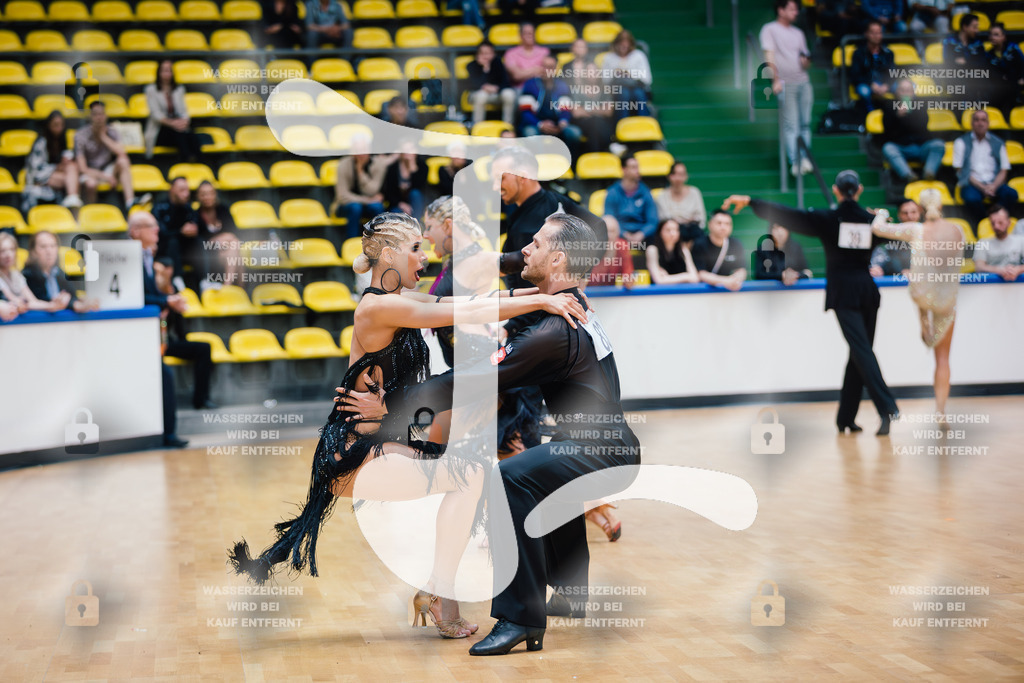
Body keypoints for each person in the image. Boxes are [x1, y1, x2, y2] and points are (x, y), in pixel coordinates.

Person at [228, 212, 588, 641]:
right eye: (416, 248)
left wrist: (545, 293)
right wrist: (543, 302)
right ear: (387, 255)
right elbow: (468, 309)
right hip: (353, 454)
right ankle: (439, 593)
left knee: (474, 474)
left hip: (378, 443)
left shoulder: (400, 299)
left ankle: (438, 593)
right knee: (472, 476)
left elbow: (465, 303)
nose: (426, 257)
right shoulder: (378, 307)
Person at [356, 212, 641, 655]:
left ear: (558, 259)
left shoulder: (553, 330)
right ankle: (571, 593)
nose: (525, 248)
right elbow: (484, 300)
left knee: (509, 478)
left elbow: (471, 379)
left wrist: (391, 403)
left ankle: (520, 617)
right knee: (547, 474)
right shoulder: (574, 305)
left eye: (537, 244)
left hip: (603, 452)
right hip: (610, 446)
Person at [723, 169, 901, 435]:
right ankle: (852, 416)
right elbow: (893, 234)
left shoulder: (827, 218)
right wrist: (881, 218)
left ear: (836, 191)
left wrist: (751, 201)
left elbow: (788, 215)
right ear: (860, 190)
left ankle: (881, 409)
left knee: (860, 352)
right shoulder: (870, 220)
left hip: (843, 292)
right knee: (862, 351)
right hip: (867, 291)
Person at [871, 189, 964, 419]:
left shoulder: (916, 229)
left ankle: (924, 320)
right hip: (946, 299)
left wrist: (881, 213)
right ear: (941, 206)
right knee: (943, 359)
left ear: (920, 209)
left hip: (922, 293)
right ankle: (940, 410)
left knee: (922, 289)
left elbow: (878, 228)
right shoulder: (957, 230)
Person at [493, 146, 606, 325]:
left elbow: (600, 227)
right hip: (535, 317)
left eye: (501, 178)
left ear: (522, 176)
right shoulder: (551, 201)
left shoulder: (540, 217)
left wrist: (581, 274)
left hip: (542, 321)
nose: (495, 186)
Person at [128, 211, 190, 448]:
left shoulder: (146, 256)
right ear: (135, 231)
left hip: (148, 332)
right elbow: (134, 295)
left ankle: (166, 433)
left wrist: (167, 302)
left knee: (163, 376)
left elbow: (149, 294)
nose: (157, 230)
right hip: (134, 334)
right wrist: (166, 302)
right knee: (165, 376)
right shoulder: (128, 258)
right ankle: (167, 434)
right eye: (150, 226)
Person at [152, 256, 217, 410]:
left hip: (170, 340)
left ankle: (201, 399)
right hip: (157, 342)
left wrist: (177, 311)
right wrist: (164, 315)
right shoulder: (154, 295)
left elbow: (177, 325)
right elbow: (162, 326)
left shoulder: (173, 290)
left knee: (204, 348)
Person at [760, 0, 814, 176]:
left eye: (796, 9)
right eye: (791, 9)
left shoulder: (798, 33)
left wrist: (806, 61)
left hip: (803, 82)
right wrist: (775, 80)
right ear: (780, 10)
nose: (795, 12)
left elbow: (805, 58)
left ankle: (805, 158)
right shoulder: (769, 29)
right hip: (785, 83)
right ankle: (796, 161)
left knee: (805, 123)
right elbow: (769, 56)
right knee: (791, 125)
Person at [75, 100, 145, 209]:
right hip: (90, 171)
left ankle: (130, 202)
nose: (99, 118)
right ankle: (91, 211)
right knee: (91, 184)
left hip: (107, 168)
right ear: (90, 116)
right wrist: (105, 177)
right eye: (95, 114)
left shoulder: (112, 131)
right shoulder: (80, 135)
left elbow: (122, 153)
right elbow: (82, 168)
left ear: (106, 115)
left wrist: (103, 136)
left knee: (123, 160)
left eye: (101, 114)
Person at [952, 109, 1018, 224]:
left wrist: (993, 186)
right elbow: (960, 169)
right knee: (971, 198)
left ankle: (996, 217)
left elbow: (1004, 169)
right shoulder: (961, 142)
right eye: (976, 120)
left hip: (994, 183)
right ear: (972, 123)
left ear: (988, 123)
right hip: (972, 183)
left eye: (983, 120)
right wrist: (983, 187)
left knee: (1011, 194)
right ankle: (985, 222)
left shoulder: (998, 142)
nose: (980, 123)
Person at [880, 79, 946, 183]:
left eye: (908, 90)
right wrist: (897, 116)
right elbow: (887, 132)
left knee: (939, 144)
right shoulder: (889, 106)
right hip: (902, 148)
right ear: (897, 92)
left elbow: (923, 127)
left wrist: (911, 114)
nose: (905, 93)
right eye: (902, 90)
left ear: (913, 93)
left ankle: (929, 173)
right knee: (888, 148)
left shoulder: (920, 106)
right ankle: (908, 175)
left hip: (921, 147)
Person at [518, 56, 582, 158]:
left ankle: (568, 163)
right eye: (543, 66)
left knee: (575, 133)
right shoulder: (530, 84)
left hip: (557, 124)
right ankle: (540, 163)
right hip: (536, 124)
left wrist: (562, 123)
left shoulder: (562, 85)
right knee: (530, 133)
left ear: (555, 69)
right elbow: (526, 112)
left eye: (549, 67)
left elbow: (565, 110)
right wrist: (541, 124)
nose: (545, 70)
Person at [22, 231, 99, 313]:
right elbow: (38, 302)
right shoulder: (26, 276)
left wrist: (82, 301)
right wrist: (71, 304)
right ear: (33, 251)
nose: (49, 251)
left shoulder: (58, 272)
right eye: (43, 246)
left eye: (53, 246)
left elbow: (72, 296)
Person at [22, 110, 81, 213]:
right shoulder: (41, 143)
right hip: (39, 178)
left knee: (72, 166)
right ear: (48, 125)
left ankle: (72, 199)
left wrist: (63, 164)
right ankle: (73, 206)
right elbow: (36, 170)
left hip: (55, 175)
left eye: (61, 125)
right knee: (72, 181)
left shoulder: (62, 141)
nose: (59, 128)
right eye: (56, 125)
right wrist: (57, 167)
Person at [562, 39, 615, 154]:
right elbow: (576, 113)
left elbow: (608, 112)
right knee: (595, 122)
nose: (591, 75)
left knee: (597, 123)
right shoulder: (577, 90)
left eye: (594, 72)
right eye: (588, 72)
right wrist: (598, 110)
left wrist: (586, 109)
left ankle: (594, 154)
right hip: (584, 123)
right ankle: (607, 150)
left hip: (600, 123)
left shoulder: (604, 90)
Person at [333, 135, 391, 238]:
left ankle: (378, 241)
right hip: (347, 206)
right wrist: (367, 200)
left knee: (377, 207)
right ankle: (351, 241)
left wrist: (360, 172)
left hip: (369, 205)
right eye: (357, 150)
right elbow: (342, 196)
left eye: (364, 149)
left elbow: (373, 191)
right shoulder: (343, 164)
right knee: (355, 207)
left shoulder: (378, 164)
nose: (361, 154)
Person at [145, 60, 203, 162]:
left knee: (192, 136)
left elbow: (184, 111)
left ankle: (199, 162)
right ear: (159, 73)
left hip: (177, 126)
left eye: (170, 71)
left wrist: (184, 121)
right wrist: (173, 123)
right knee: (180, 134)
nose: (167, 73)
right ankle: (187, 160)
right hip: (160, 128)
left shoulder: (179, 89)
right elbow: (155, 114)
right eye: (165, 70)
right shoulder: (151, 90)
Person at [0, 231, 70, 313]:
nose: (8, 255)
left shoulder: (16, 275)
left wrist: (55, 304)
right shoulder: (27, 273)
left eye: (12, 249)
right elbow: (16, 301)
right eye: (2, 251)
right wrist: (52, 305)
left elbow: (32, 301)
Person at [194, 181, 243, 291]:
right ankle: (239, 292)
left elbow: (235, 233)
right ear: (198, 196)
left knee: (235, 249)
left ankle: (227, 286)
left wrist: (221, 239)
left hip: (227, 253)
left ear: (215, 194)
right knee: (236, 254)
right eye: (203, 194)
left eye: (210, 193)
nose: (207, 197)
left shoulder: (223, 210)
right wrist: (220, 239)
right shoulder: (195, 215)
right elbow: (201, 242)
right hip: (209, 256)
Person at [152, 176, 198, 288]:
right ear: (172, 190)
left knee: (199, 241)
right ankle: (177, 278)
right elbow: (160, 234)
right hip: (165, 250)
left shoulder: (188, 207)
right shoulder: (159, 207)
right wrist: (180, 232)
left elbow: (196, 224)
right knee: (173, 241)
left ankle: (205, 280)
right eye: (182, 190)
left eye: (187, 190)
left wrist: (194, 228)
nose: (186, 194)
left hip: (184, 250)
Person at [603, 154, 658, 243]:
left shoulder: (646, 192)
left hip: (642, 238)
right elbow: (609, 218)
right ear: (624, 169)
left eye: (637, 167)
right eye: (633, 167)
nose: (637, 171)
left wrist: (641, 234)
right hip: (619, 236)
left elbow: (652, 221)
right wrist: (625, 234)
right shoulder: (612, 192)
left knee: (653, 246)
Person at [601, 30, 652, 119]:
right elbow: (605, 80)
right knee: (624, 94)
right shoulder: (609, 57)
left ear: (630, 44)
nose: (623, 47)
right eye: (620, 44)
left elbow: (647, 79)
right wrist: (616, 74)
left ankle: (643, 123)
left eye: (626, 45)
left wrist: (629, 74)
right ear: (616, 44)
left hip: (636, 87)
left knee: (639, 94)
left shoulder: (639, 55)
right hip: (617, 89)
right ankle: (622, 123)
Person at [691, 209, 747, 291]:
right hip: (703, 291)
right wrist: (725, 281)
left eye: (727, 224)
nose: (723, 227)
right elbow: (701, 274)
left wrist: (735, 280)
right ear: (710, 224)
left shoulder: (736, 244)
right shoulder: (699, 244)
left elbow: (741, 270)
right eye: (719, 223)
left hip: (727, 291)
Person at [468, 41, 517, 127]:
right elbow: (473, 84)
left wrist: (496, 88)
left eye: (488, 53)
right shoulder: (472, 65)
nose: (485, 56)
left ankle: (508, 126)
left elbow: (506, 83)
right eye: (482, 53)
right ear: (477, 54)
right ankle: (477, 127)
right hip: (477, 95)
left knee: (509, 94)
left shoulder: (498, 63)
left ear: (493, 54)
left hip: (496, 94)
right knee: (481, 95)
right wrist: (485, 69)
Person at [849, 22, 895, 112]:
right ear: (866, 34)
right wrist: (871, 84)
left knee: (906, 86)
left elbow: (892, 73)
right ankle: (871, 113)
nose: (876, 36)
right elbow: (855, 75)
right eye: (873, 33)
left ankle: (905, 112)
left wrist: (886, 84)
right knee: (864, 91)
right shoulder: (858, 53)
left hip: (884, 83)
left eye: (879, 33)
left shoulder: (888, 53)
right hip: (866, 84)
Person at [973, 204, 1024, 282]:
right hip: (989, 285)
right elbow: (979, 267)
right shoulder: (982, 243)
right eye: (993, 223)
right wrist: (1000, 270)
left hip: (1017, 284)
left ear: (1009, 222)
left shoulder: (1021, 240)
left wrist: (1018, 270)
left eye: (1000, 222)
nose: (996, 226)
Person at [870, 198, 918, 276]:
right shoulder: (889, 236)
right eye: (905, 213)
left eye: (913, 212)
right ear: (899, 215)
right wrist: (877, 268)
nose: (910, 216)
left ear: (919, 213)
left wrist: (882, 213)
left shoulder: (926, 232)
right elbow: (885, 260)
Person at [986, 23, 1024, 119]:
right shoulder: (988, 55)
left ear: (1003, 37)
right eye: (991, 34)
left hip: (1014, 89)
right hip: (998, 92)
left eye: (996, 35)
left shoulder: (1013, 49)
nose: (992, 37)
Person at [645, 218, 699, 285]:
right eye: (668, 230)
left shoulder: (683, 250)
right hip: (659, 290)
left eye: (676, 230)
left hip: (681, 290)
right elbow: (658, 280)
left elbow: (695, 278)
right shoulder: (652, 250)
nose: (672, 234)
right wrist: (687, 276)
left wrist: (667, 278)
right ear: (660, 232)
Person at [587, 215, 636, 288]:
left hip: (610, 292)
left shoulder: (622, 246)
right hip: (589, 291)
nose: (609, 236)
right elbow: (590, 281)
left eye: (612, 231)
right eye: (605, 231)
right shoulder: (589, 247)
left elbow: (628, 278)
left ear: (618, 233)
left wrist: (628, 280)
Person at [382, 141, 427, 219]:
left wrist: (412, 166)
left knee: (415, 193)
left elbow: (420, 187)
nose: (407, 152)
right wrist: (400, 204)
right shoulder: (393, 168)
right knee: (395, 213)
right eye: (405, 149)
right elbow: (388, 192)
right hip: (397, 204)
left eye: (410, 149)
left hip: (415, 203)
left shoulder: (422, 166)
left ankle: (417, 224)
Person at [656, 161, 707, 229]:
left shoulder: (694, 192)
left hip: (692, 230)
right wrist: (687, 220)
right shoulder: (662, 196)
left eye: (682, 174)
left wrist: (679, 220)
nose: (678, 178)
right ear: (669, 176)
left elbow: (701, 219)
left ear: (686, 176)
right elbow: (663, 220)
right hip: (671, 231)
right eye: (675, 174)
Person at [503, 23, 550, 91]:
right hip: (519, 89)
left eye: (532, 33)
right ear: (521, 35)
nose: (530, 35)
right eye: (527, 33)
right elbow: (516, 75)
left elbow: (548, 72)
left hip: (540, 88)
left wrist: (523, 72)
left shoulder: (544, 52)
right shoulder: (511, 53)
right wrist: (535, 70)